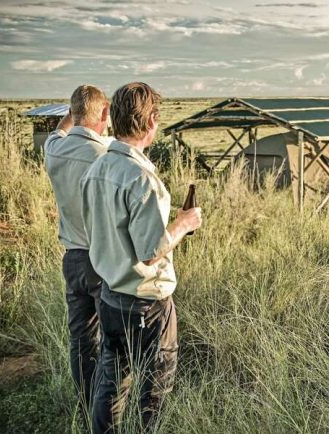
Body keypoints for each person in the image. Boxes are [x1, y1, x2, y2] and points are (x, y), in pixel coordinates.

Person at [81, 82, 202, 433]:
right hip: (147, 306)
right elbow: (150, 253)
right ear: (150, 121)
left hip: (109, 296)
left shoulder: (96, 170)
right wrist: (183, 223)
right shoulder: (143, 180)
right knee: (153, 393)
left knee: (111, 385)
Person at [43, 85, 110, 414]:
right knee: (112, 341)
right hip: (102, 259)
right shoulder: (105, 154)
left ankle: (85, 406)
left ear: (71, 113)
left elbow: (57, 132)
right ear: (105, 113)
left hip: (72, 258)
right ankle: (106, 411)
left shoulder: (54, 149)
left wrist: (69, 117)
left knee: (81, 339)